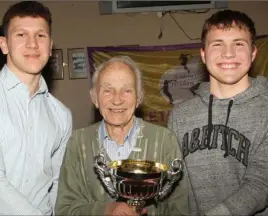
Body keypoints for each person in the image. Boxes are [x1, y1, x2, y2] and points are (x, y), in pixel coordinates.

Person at [168, 9, 268, 216]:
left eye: (239, 44)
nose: (228, 53)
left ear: (253, 52)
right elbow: (174, 184)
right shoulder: (179, 115)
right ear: (203, 54)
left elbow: (263, 182)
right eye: (217, 44)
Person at [0, 1, 72, 215]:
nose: (32, 44)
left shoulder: (61, 115)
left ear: (50, 46)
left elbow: (58, 183)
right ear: (4, 45)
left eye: (40, 36)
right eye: (21, 35)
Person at [55, 56, 189, 216]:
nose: (117, 100)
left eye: (126, 90)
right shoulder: (77, 142)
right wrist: (105, 210)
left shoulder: (164, 140)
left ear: (138, 97)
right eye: (107, 90)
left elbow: (179, 208)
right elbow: (65, 209)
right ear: (94, 98)